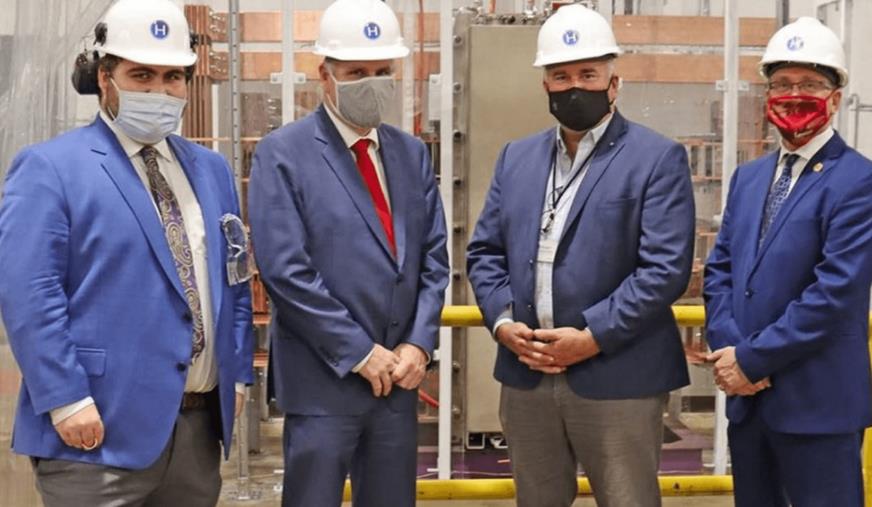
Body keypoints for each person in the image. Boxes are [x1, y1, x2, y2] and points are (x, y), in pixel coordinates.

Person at [0, 1, 254, 505]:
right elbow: (29, 294)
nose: (159, 91)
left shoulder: (211, 170)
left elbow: (235, 280)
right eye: (142, 75)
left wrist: (239, 373)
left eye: (172, 77)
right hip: (95, 432)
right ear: (105, 78)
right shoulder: (51, 168)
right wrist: (65, 399)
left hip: (197, 429)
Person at [466, 5, 695, 507]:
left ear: (614, 83)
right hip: (527, 373)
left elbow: (664, 270)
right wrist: (503, 323)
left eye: (588, 74)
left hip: (618, 376)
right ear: (545, 85)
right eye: (561, 76)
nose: (575, 87)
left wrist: (592, 337)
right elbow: (484, 252)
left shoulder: (656, 158)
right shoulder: (516, 157)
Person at [247, 0, 449, 505]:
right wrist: (359, 352)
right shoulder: (284, 154)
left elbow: (433, 259)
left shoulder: (411, 154)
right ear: (326, 75)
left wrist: (419, 344)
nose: (372, 84)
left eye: (383, 72)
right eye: (357, 73)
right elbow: (286, 271)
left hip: (397, 381)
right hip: (323, 382)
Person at [704, 17, 872, 507]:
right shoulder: (749, 178)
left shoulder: (858, 181)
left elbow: (834, 293)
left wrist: (752, 360)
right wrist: (731, 351)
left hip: (818, 407)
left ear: (835, 98)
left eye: (809, 84)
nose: (793, 95)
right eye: (781, 84)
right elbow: (720, 271)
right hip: (749, 403)